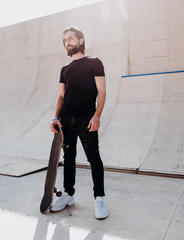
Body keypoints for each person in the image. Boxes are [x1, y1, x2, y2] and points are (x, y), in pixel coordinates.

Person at [49, 26, 108, 220]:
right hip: (66, 120)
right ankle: (68, 195)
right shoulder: (64, 69)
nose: (67, 42)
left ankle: (99, 198)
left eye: (70, 38)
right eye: (65, 40)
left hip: (87, 119)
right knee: (69, 158)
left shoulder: (94, 63)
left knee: (94, 158)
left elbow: (102, 91)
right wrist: (55, 118)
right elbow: (61, 95)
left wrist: (97, 115)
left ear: (81, 40)